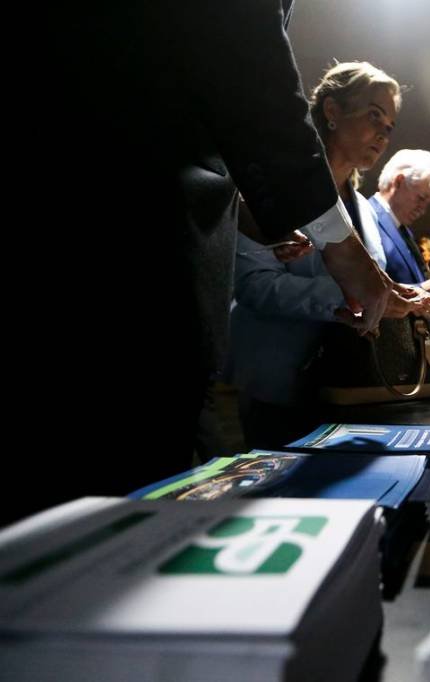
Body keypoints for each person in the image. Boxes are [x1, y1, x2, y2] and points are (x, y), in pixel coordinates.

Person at [18, 1, 392, 525]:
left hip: (160, 250)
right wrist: (340, 247)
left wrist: (246, 223)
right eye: (374, 116)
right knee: (96, 532)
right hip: (121, 251)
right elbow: (248, 69)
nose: (382, 133)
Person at [226, 61, 430, 449]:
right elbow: (255, 287)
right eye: (375, 116)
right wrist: (353, 296)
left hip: (346, 386)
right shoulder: (271, 189)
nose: (382, 135)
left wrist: (398, 297)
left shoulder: (365, 212)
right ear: (332, 111)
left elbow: (373, 284)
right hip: (277, 382)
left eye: (389, 128)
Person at [371, 150, 430, 314]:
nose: (423, 210)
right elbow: (362, 287)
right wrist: (421, 290)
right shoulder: (364, 216)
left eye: (427, 203)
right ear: (398, 181)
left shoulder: (405, 232)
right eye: (421, 198)